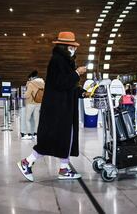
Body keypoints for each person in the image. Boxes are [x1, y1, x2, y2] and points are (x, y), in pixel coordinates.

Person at [17, 31, 87, 181]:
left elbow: (68, 85)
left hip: (62, 107)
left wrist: (82, 92)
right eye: (71, 46)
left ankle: (63, 168)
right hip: (58, 108)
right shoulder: (57, 61)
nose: (74, 49)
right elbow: (61, 83)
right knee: (52, 139)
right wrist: (77, 73)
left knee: (63, 138)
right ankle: (27, 162)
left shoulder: (64, 61)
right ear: (64, 46)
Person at [22, 70, 45, 140]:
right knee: (36, 119)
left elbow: (27, 94)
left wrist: (23, 95)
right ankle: (36, 134)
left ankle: (28, 134)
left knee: (27, 119)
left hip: (30, 103)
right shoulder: (43, 82)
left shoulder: (31, 83)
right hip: (39, 102)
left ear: (31, 77)